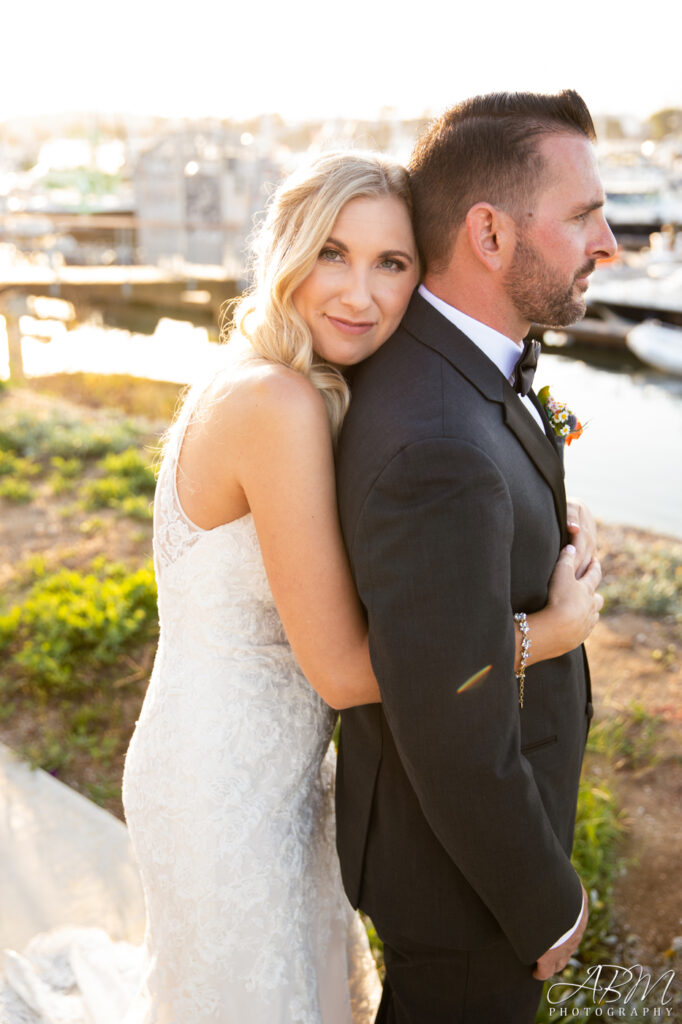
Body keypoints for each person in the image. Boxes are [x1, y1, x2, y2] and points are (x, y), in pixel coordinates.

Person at [0, 149, 602, 1024]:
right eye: (332, 253)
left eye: (390, 264)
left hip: (273, 772)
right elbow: (345, 672)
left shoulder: (288, 380)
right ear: (286, 252)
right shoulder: (276, 405)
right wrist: (550, 628)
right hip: (225, 788)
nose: (359, 294)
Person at [334, 91, 617, 1024]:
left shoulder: (454, 369)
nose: (608, 243)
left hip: (457, 861)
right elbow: (448, 721)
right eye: (582, 216)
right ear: (489, 235)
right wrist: (542, 899)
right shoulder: (437, 444)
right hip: (464, 884)